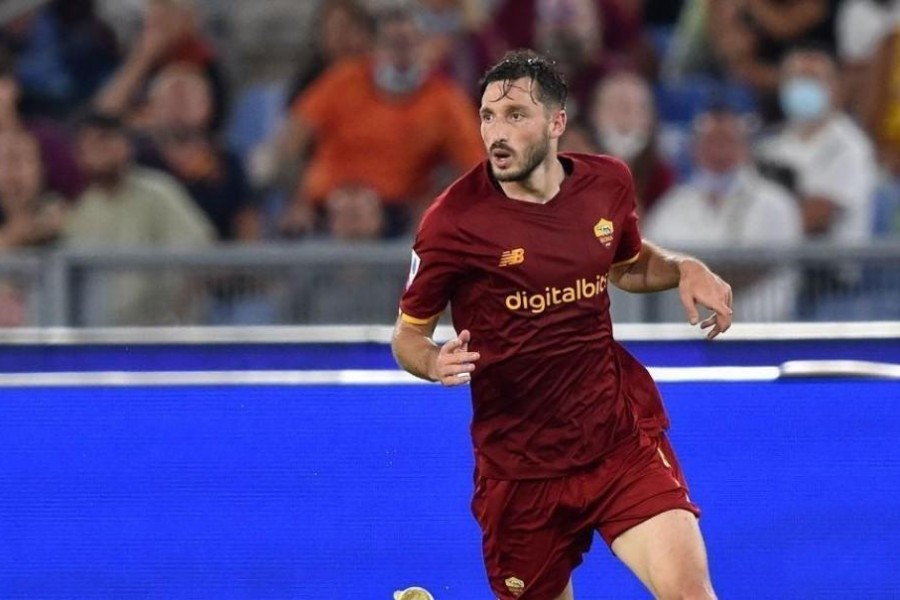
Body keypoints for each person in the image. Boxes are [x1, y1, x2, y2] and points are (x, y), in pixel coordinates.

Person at [391, 50, 731, 600]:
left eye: (515, 116)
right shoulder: (452, 222)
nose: (496, 133)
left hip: (619, 442)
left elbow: (627, 265)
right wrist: (432, 360)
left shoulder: (607, 183)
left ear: (556, 123)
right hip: (522, 473)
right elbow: (406, 335)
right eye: (487, 116)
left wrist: (683, 268)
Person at [644, 107, 803, 321]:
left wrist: (694, 276)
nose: (719, 150)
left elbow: (763, 265)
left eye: (728, 141)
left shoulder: (775, 204)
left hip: (762, 334)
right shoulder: (671, 207)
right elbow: (654, 266)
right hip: (688, 336)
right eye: (710, 141)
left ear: (746, 147)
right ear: (694, 148)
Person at [65, 110, 213, 326]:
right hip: (98, 339)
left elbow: (201, 254)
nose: (101, 151)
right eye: (91, 145)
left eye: (108, 140)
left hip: (162, 334)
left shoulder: (158, 192)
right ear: (78, 155)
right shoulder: (80, 209)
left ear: (126, 145)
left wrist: (175, 320)